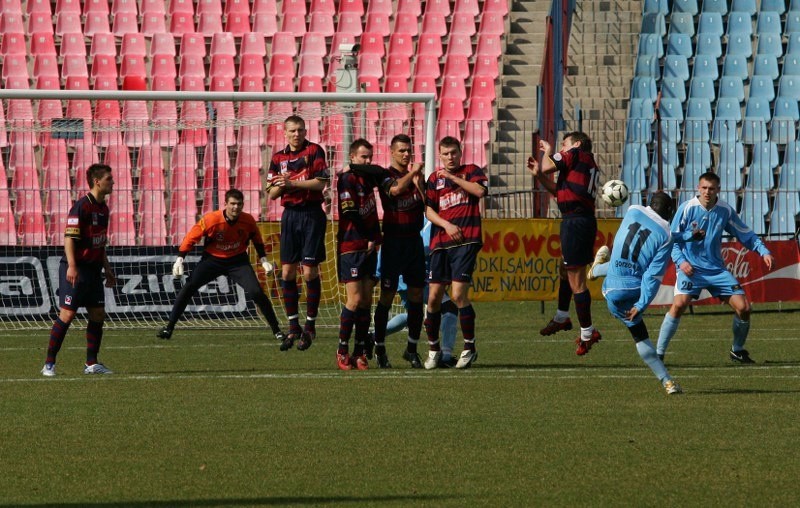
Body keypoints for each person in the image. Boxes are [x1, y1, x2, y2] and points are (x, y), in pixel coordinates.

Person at [584, 192, 705, 394]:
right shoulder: (666, 233)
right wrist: (641, 304)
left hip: (612, 288)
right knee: (641, 337)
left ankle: (595, 269)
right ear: (669, 211)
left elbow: (654, 231)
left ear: (650, 203)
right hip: (632, 288)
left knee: (620, 265)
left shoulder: (632, 210)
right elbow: (653, 276)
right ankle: (667, 382)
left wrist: (688, 236)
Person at [655, 172, 774, 363]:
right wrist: (681, 262)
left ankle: (737, 350)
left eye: (711, 188)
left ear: (718, 189)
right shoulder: (686, 209)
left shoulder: (724, 210)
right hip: (690, 268)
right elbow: (673, 240)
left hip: (716, 270)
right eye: (704, 188)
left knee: (744, 308)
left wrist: (764, 251)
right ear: (697, 188)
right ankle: (659, 353)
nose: (707, 192)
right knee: (678, 304)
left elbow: (745, 233)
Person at [157, 189, 285, 342]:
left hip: (238, 261)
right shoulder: (211, 219)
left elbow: (256, 239)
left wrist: (264, 260)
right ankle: (169, 327)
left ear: (243, 205)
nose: (235, 207)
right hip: (212, 260)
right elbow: (191, 237)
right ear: (225, 204)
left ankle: (277, 330)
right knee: (188, 287)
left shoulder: (248, 220)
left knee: (256, 292)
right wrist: (180, 258)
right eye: (232, 204)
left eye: (239, 204)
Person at [528, 132, 603, 356]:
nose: (563, 146)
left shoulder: (575, 154)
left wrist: (548, 152)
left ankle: (588, 333)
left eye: (565, 142)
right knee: (566, 270)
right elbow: (560, 194)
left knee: (576, 280)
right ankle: (562, 316)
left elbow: (547, 166)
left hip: (576, 221)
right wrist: (539, 177)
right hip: (579, 219)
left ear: (577, 144)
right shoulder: (584, 163)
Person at [42, 163, 117, 377]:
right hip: (76, 268)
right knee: (67, 314)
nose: (112, 182)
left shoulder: (104, 209)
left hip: (93, 270)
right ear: (97, 181)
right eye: (109, 179)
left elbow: (100, 244)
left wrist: (107, 269)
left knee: (98, 314)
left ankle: (91, 363)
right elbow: (69, 238)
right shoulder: (81, 207)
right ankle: (49, 363)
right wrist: (72, 266)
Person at [423, 136, 488, 369]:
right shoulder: (432, 180)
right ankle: (433, 349)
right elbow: (429, 211)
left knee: (459, 295)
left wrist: (452, 177)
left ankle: (469, 347)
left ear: (460, 153)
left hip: (466, 241)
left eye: (454, 153)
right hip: (440, 242)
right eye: (446, 153)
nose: (450, 157)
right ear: (439, 155)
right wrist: (447, 225)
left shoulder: (471, 171)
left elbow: (480, 192)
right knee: (433, 297)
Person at [267, 115, 330, 351]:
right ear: (285, 132)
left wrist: (292, 183)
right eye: (292, 130)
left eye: (300, 130)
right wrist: (281, 185)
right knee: (287, 272)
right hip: (290, 216)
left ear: (305, 131)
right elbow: (272, 194)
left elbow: (321, 183)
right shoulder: (278, 158)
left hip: (312, 214)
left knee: (310, 272)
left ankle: (311, 324)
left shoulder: (314, 151)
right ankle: (293, 326)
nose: (297, 134)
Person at [367, 134, 428, 369]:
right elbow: (394, 191)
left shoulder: (415, 178)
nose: (406, 154)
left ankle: (411, 349)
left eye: (408, 150)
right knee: (387, 296)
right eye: (401, 150)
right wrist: (413, 175)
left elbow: (426, 204)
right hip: (393, 243)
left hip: (413, 242)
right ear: (392, 152)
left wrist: (419, 183)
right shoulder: (385, 175)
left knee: (415, 297)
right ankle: (380, 347)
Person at [376, 218, 460, 366]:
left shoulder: (422, 219)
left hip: (409, 275)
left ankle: (373, 337)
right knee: (449, 309)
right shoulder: (428, 222)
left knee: (413, 317)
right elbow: (425, 247)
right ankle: (445, 355)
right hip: (414, 276)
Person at [334, 139, 383, 370]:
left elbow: (381, 171)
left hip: (370, 246)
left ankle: (359, 351)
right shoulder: (347, 179)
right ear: (352, 157)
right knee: (353, 299)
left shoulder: (368, 176)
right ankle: (342, 349)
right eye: (363, 157)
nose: (368, 161)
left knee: (365, 301)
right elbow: (351, 212)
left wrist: (375, 239)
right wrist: (369, 237)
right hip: (352, 245)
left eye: (370, 157)